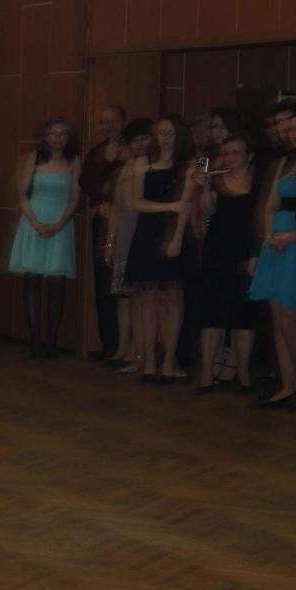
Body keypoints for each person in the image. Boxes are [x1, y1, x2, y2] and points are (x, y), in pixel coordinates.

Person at [124, 114, 198, 383]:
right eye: (160, 132)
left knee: (174, 297)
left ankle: (168, 361)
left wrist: (176, 239)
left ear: (180, 136)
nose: (164, 138)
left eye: (170, 133)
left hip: (174, 231)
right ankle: (149, 361)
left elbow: (186, 204)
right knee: (148, 297)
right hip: (148, 232)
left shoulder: (190, 164)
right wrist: (169, 206)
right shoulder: (142, 162)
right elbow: (136, 202)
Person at [8, 119, 81, 358]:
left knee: (56, 283)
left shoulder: (74, 160)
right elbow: (22, 196)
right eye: (52, 133)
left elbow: (74, 199)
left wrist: (58, 225)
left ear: (68, 138)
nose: (57, 138)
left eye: (62, 134)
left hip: (61, 224)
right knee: (32, 280)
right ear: (45, 136)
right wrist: (37, 224)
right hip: (32, 222)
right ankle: (34, 340)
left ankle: (52, 341)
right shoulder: (33, 158)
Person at [195, 134, 260, 392]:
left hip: (246, 254)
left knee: (244, 316)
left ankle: (243, 375)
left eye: (236, 152)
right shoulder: (216, 179)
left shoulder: (258, 182)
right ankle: (206, 374)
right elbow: (208, 211)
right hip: (218, 253)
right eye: (227, 152)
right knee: (212, 315)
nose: (231, 157)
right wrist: (206, 188)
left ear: (249, 155)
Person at [250, 114, 296, 407]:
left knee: (290, 319)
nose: (290, 134)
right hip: (277, 244)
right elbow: (270, 204)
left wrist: (293, 236)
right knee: (279, 318)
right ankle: (288, 383)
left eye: (295, 129)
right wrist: (269, 237)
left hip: (294, 242)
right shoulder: (284, 163)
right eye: (288, 129)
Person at [103, 117, 153, 373]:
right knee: (125, 296)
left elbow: (200, 166)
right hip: (124, 234)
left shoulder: (156, 164)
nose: (140, 144)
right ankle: (125, 348)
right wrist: (110, 242)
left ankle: (140, 352)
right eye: (135, 140)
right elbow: (115, 207)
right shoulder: (126, 167)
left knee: (142, 297)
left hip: (144, 233)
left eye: (145, 138)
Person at [80, 106, 128, 360]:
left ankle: (129, 348)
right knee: (104, 282)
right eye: (104, 122)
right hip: (104, 219)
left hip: (131, 221)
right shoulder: (97, 152)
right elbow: (86, 184)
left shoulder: (134, 148)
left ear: (123, 122)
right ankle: (110, 345)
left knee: (126, 286)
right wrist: (106, 161)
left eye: (114, 121)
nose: (109, 126)